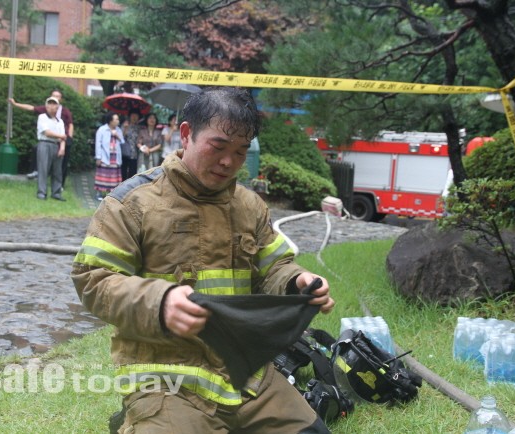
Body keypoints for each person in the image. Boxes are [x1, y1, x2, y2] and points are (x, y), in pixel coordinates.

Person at [71, 87, 335, 434]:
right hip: (167, 377)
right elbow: (94, 279)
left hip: (247, 374)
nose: (229, 161)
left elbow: (274, 267)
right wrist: (160, 301)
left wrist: (296, 281)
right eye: (219, 146)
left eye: (241, 151)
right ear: (186, 135)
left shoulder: (250, 206)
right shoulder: (131, 203)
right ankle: (141, 417)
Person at [9, 89, 74, 185]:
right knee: (38, 151)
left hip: (63, 139)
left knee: (62, 163)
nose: (55, 98)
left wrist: (69, 138)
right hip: (50, 139)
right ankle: (36, 172)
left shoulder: (65, 111)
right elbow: (31, 108)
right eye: (53, 95)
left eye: (57, 96)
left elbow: (70, 124)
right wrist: (16, 104)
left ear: (61, 99)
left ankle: (60, 185)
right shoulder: (45, 110)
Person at [35, 96, 66, 201]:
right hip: (44, 143)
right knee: (43, 169)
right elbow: (47, 132)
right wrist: (60, 137)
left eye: (54, 104)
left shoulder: (60, 121)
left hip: (56, 145)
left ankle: (56, 192)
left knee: (57, 170)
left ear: (57, 107)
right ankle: (41, 192)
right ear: (46, 106)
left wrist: (62, 148)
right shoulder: (42, 117)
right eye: (50, 103)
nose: (52, 106)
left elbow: (63, 137)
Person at [93, 112, 123, 201]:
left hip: (115, 156)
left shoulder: (118, 130)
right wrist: (98, 157)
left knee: (113, 175)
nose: (118, 121)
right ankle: (99, 193)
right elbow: (98, 144)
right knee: (103, 174)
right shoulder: (102, 129)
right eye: (116, 119)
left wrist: (116, 135)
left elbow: (122, 142)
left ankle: (111, 194)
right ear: (110, 121)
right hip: (104, 156)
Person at [121, 109, 141, 180]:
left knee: (132, 173)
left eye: (136, 116)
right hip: (125, 152)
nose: (134, 117)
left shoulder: (139, 127)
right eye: (133, 115)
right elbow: (121, 138)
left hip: (135, 153)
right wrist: (125, 129)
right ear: (129, 116)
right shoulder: (124, 125)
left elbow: (140, 139)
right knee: (123, 171)